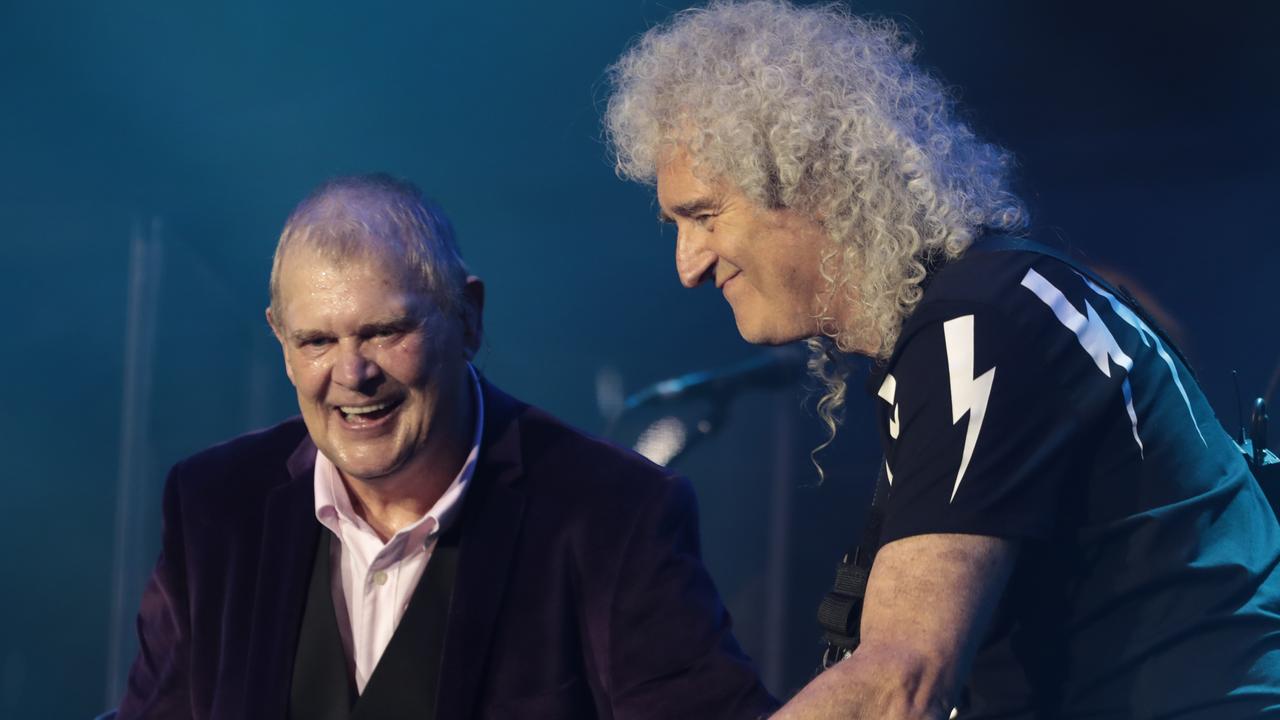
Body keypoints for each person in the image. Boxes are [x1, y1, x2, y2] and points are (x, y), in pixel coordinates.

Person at [604, 2, 1280, 717]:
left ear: (808, 176)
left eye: (704, 216)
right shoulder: (988, 307)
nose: (688, 264)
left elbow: (902, 682)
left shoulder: (980, 323)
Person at [117, 174, 778, 719]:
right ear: (281, 343)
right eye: (316, 341)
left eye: (383, 332)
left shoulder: (613, 513)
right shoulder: (215, 506)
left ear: (468, 318)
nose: (352, 374)